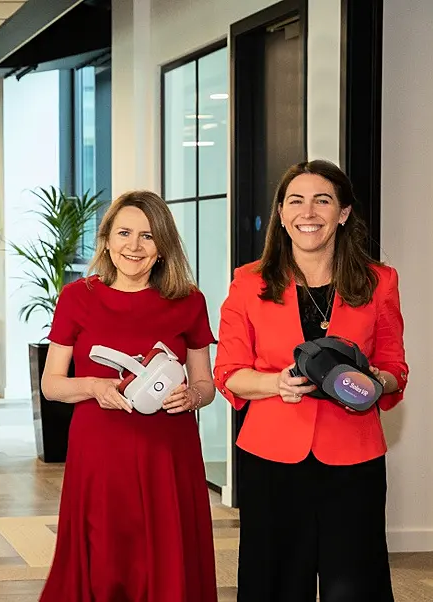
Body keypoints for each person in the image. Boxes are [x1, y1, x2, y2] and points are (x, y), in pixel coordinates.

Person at [213, 160, 406, 602]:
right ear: (281, 213)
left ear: (343, 213)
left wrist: (378, 379)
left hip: (354, 457)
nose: (309, 212)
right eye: (296, 201)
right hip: (271, 457)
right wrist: (275, 384)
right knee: (273, 581)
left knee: (355, 582)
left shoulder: (380, 282)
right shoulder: (248, 282)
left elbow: (396, 368)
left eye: (323, 200)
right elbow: (229, 371)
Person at [38, 190, 219, 602]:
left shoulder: (189, 301)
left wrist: (191, 397)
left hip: (168, 454)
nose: (133, 246)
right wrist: (94, 386)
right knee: (104, 558)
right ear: (106, 239)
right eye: (124, 233)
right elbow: (51, 384)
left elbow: (206, 385)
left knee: (166, 555)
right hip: (100, 452)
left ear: (163, 248)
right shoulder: (77, 297)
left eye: (148, 236)